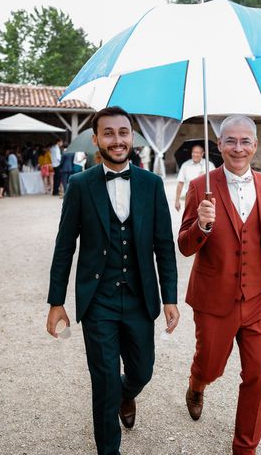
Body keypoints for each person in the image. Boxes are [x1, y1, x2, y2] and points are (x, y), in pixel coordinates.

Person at [46, 106, 179, 455]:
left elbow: (164, 245)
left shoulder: (152, 184)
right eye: (109, 133)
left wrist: (169, 298)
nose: (117, 139)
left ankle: (125, 394)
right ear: (96, 140)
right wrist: (56, 302)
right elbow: (64, 247)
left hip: (140, 298)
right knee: (103, 381)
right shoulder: (79, 185)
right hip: (98, 300)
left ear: (132, 136)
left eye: (123, 132)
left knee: (142, 371)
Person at [178, 115, 261, 455]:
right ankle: (198, 382)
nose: (238, 148)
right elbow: (185, 246)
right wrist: (201, 225)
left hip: (259, 300)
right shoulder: (201, 186)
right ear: (219, 145)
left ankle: (245, 448)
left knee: (259, 374)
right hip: (214, 299)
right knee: (212, 365)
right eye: (230, 140)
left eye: (245, 141)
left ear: (255, 145)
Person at [174, 144, 215, 211]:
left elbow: (215, 182)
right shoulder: (185, 165)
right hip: (190, 196)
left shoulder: (209, 165)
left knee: (205, 219)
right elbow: (180, 183)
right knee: (189, 219)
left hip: (205, 197)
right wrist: (177, 201)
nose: (195, 154)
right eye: (193, 152)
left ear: (202, 154)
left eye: (197, 152)